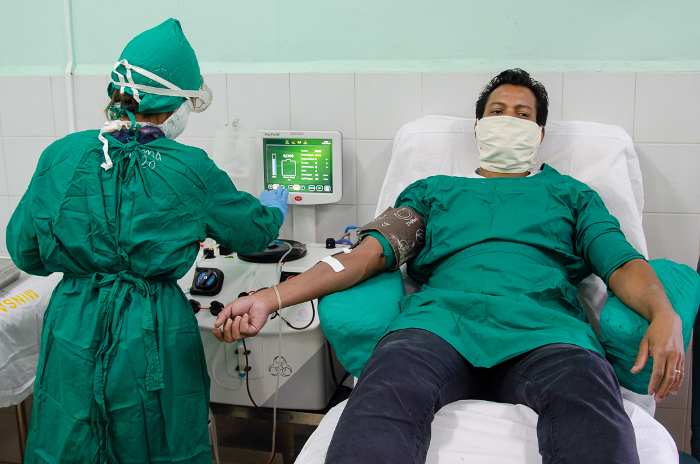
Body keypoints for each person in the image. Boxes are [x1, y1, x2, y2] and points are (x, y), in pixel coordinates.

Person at [212, 69, 685, 464]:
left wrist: (664, 313)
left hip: (547, 332)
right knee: (382, 397)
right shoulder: (433, 192)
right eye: (497, 111)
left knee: (591, 408)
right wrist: (269, 298)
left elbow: (621, 263)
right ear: (478, 127)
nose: (509, 120)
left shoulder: (572, 196)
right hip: (437, 329)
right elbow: (364, 256)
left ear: (540, 134)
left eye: (523, 115)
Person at [6, 18, 288, 464]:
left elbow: (25, 251)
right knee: (160, 441)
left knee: (71, 439)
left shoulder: (61, 156)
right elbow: (251, 233)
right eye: (187, 102)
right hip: (152, 328)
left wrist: (87, 261)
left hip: (74, 327)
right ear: (169, 102)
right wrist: (273, 209)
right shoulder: (188, 167)